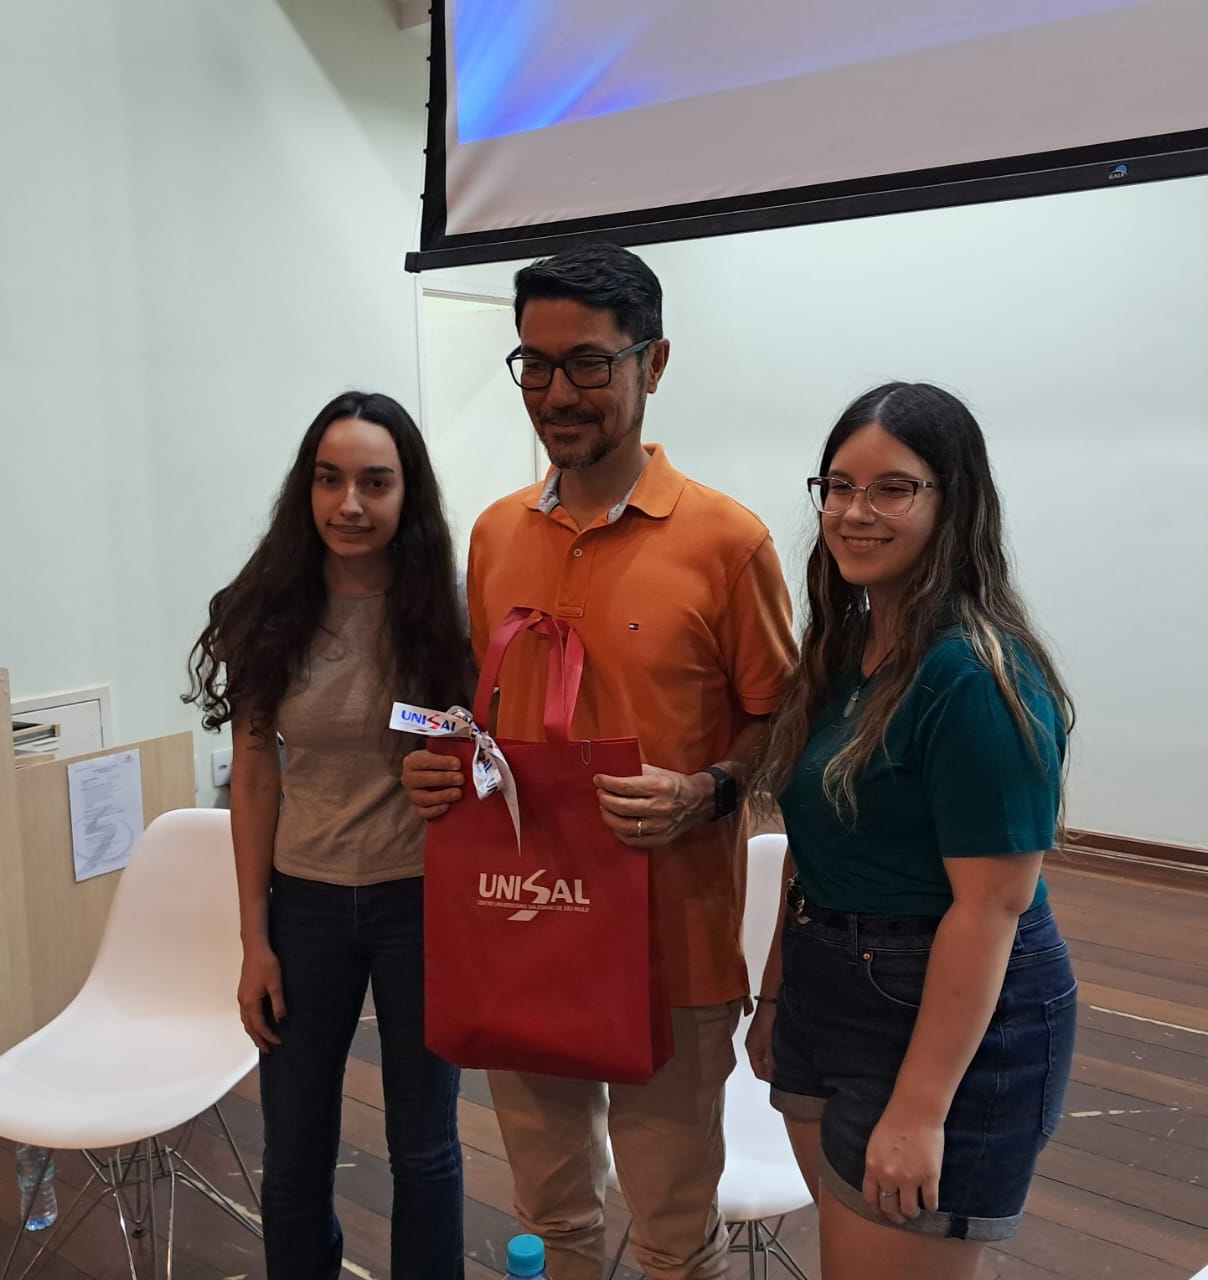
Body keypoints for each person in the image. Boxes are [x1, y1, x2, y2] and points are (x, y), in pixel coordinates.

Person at [402, 241, 798, 1280]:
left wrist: (705, 789)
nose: (555, 393)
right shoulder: (495, 535)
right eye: (533, 364)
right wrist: (441, 767)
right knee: (551, 1216)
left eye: (586, 363)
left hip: (672, 946)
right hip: (524, 926)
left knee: (672, 1235)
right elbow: (482, 720)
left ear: (652, 363)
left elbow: (783, 722)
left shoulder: (727, 542)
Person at [746, 383, 1077, 1280]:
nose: (855, 512)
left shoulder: (975, 677)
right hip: (825, 987)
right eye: (838, 486)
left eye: (893, 488)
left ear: (953, 502)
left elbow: (991, 908)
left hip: (942, 1015)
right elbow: (815, 847)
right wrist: (776, 998)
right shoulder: (841, 650)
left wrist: (922, 1108)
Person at [185, 392, 470, 1280]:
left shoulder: (449, 610)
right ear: (305, 490)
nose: (350, 504)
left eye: (375, 482)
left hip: (421, 901)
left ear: (407, 493)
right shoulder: (268, 609)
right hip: (303, 904)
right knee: (296, 1151)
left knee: (425, 1147)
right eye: (329, 479)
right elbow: (254, 774)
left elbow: (482, 751)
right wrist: (254, 939)